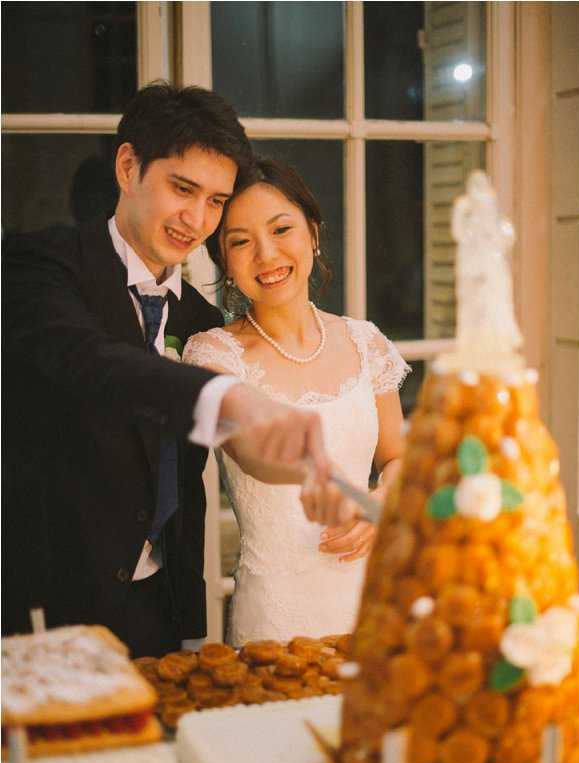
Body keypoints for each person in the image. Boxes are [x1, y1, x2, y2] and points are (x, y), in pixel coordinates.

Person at [2, 84, 358, 658]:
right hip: (48, 606)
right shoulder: (41, 264)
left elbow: (191, 483)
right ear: (127, 167)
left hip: (160, 614)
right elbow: (89, 360)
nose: (197, 220)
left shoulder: (200, 319)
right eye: (182, 188)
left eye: (216, 201)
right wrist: (226, 397)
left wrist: (305, 467)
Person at [183, 159, 410, 645]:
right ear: (223, 263)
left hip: (374, 597)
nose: (266, 254)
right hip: (275, 616)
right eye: (240, 241)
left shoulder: (365, 341)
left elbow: (398, 456)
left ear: (312, 232)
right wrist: (310, 471)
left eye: (281, 229)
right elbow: (247, 446)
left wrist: (380, 501)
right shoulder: (213, 352)